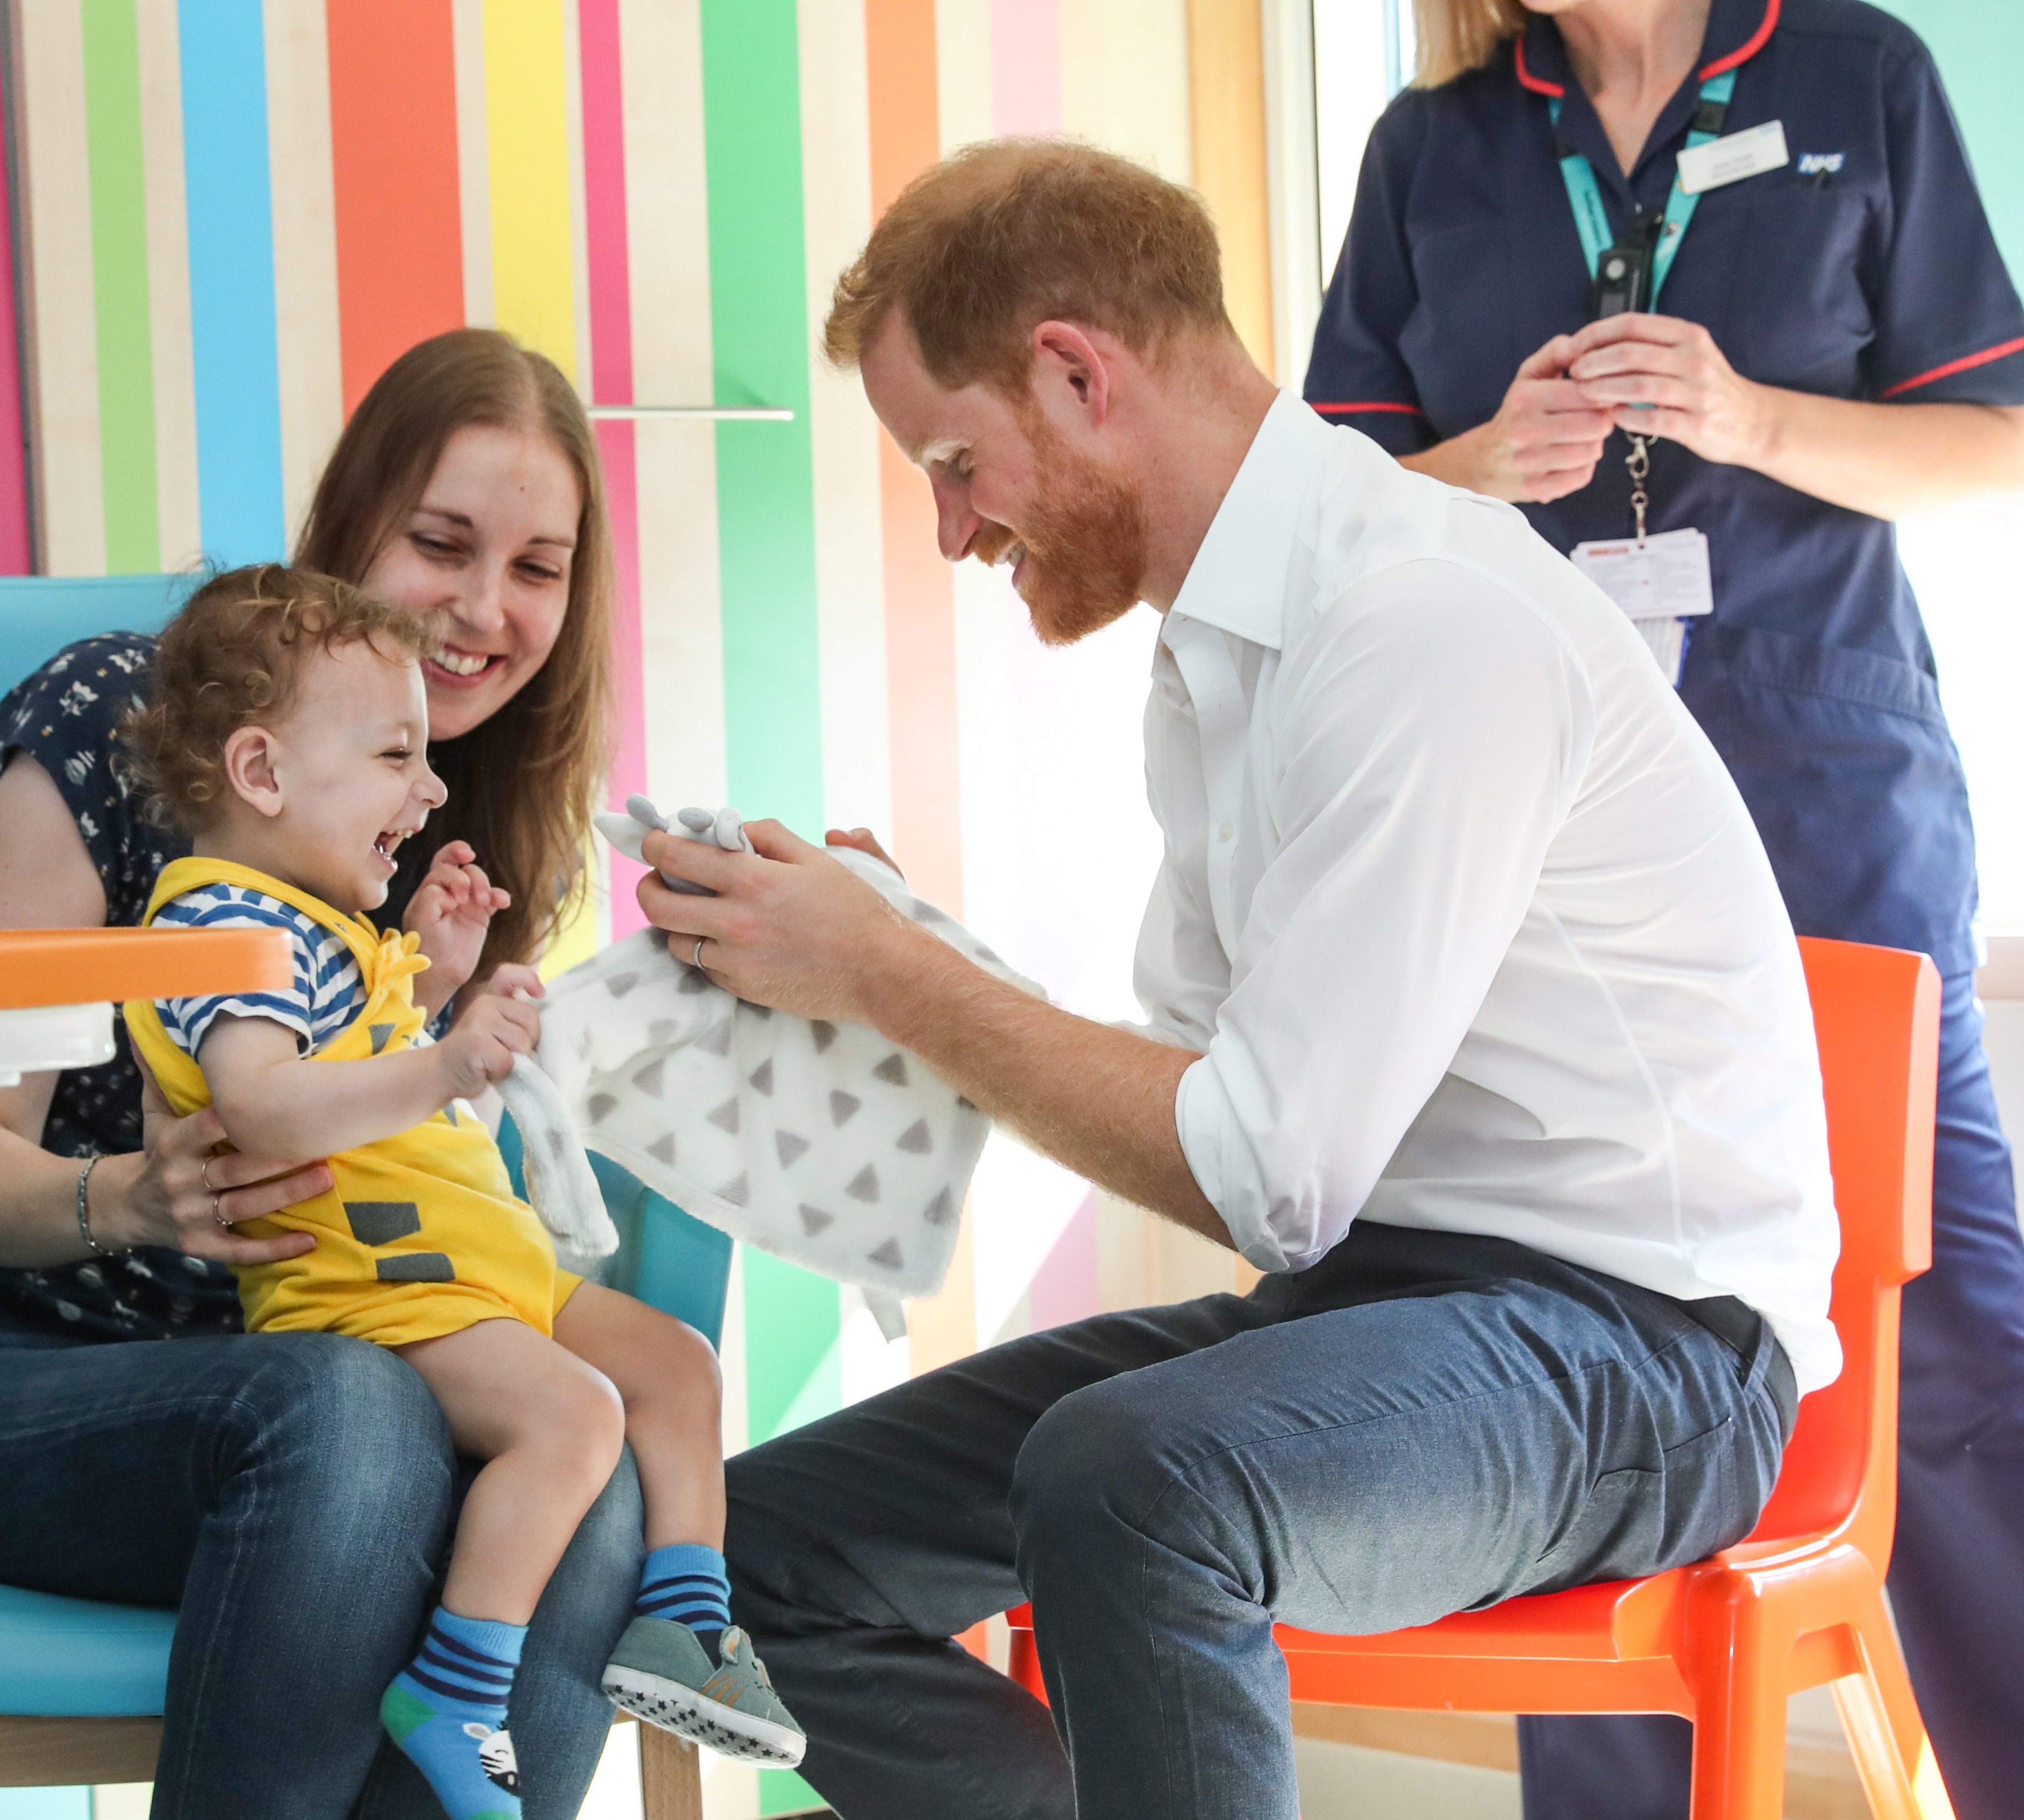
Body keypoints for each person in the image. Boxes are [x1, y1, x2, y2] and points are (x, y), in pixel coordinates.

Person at [644, 138, 1833, 1820]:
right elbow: (1203, 1090)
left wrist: (900, 979)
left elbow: (1266, 1173)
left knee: (1133, 1477)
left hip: (1642, 1347)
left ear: (1075, 373)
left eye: (953, 459)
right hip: (1386, 1306)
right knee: (748, 1550)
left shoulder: (1418, 618)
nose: (947, 527)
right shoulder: (1218, 660)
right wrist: (911, 958)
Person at [1300, 0, 2024, 1808]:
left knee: (1939, 1321)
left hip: (1826, 789)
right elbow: (1314, 513)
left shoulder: (1856, 78)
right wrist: (1486, 461)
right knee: (1574, 1313)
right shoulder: (1436, 149)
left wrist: (1753, 413)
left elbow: (1997, 435)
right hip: (1544, 816)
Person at [0, 330, 633, 1820]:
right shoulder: (109, 721)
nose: (485, 609)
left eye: (538, 566)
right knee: (351, 1423)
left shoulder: (449, 840)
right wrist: (142, 1198)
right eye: (440, 544)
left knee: (578, 1467)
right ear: (352, 532)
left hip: (327, 1373)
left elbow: (437, 1193)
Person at [117, 565, 802, 1819]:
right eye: (396, 754)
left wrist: (428, 983)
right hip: (380, 1285)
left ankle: (689, 1625)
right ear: (263, 775)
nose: (431, 790)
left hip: (470, 1267)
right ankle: (459, 1687)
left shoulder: (309, 930)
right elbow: (263, 1101)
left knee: (678, 1364)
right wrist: (441, 1057)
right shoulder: (225, 932)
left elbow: (352, 1068)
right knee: (577, 1421)